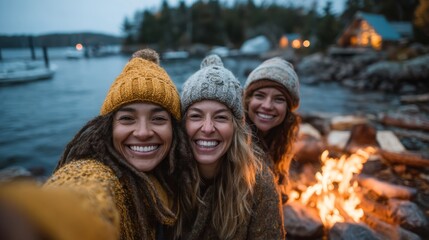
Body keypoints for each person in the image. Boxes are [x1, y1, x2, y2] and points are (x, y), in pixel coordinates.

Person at [43, 49, 195, 240]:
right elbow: (81, 190)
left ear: (174, 130)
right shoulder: (100, 174)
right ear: (108, 128)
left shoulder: (175, 178)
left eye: (157, 118)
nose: (143, 132)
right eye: (127, 118)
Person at [175, 55, 285, 240]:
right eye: (196, 116)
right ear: (182, 123)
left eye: (220, 117)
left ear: (237, 127)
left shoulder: (258, 183)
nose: (208, 128)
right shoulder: (167, 174)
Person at [243, 57, 300, 204]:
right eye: (260, 96)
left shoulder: (279, 140)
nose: (267, 106)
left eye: (278, 99)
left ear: (288, 109)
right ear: (247, 101)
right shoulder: (235, 141)